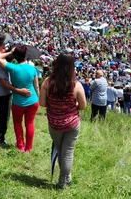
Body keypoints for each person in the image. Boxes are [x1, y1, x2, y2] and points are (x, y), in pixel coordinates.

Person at [40, 54, 87, 189]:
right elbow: (83, 106)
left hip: (54, 123)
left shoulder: (48, 82)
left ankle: (67, 177)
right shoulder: (76, 85)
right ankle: (63, 181)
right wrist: (72, 106)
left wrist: (54, 105)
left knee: (60, 151)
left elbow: (42, 103)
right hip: (72, 123)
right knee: (68, 152)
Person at [0, 46, 40, 153]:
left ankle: (20, 145)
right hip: (32, 99)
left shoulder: (13, 68)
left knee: (17, 123)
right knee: (30, 123)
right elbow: (36, 86)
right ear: (25, 55)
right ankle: (28, 148)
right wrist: (37, 99)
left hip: (18, 102)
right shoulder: (33, 69)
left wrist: (10, 52)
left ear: (15, 56)